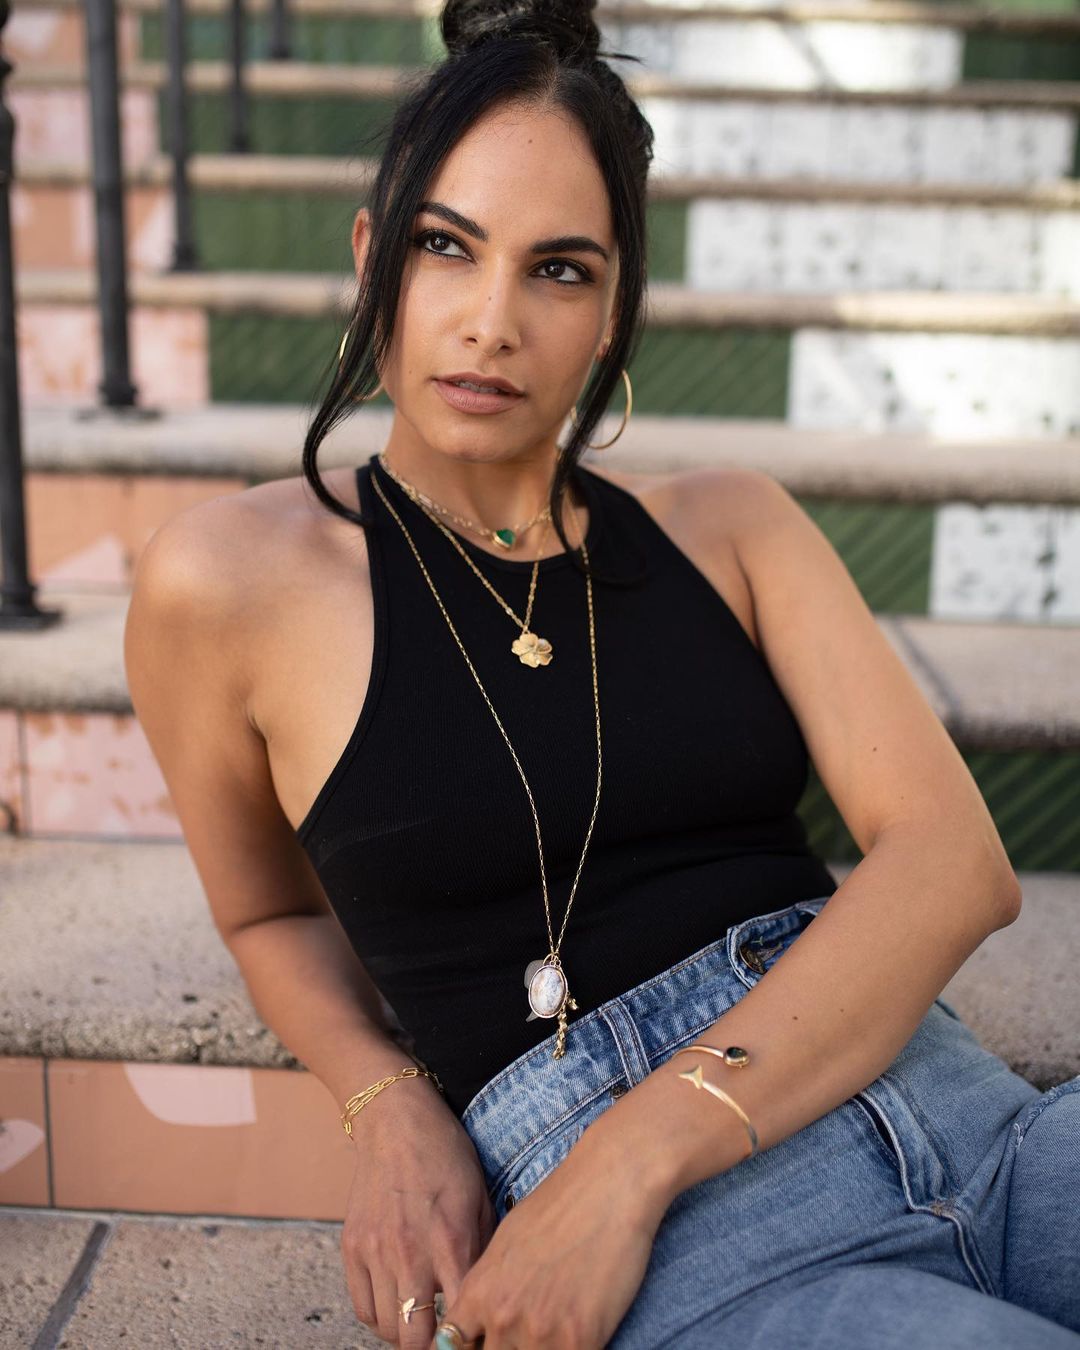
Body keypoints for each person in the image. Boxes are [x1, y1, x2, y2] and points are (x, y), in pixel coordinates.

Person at [124, 1, 1080, 1347]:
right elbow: (270, 915)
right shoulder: (224, 583)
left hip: (950, 1102)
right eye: (445, 246)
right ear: (371, 259)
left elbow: (953, 861)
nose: (492, 322)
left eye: (559, 270)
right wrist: (385, 1103)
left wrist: (636, 1154)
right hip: (696, 1246)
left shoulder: (732, 526)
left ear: (617, 306)